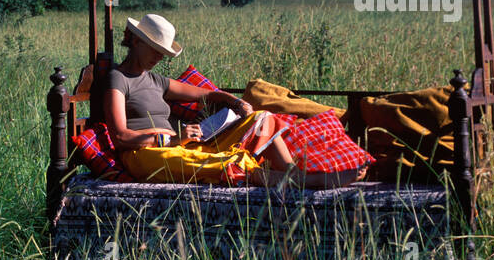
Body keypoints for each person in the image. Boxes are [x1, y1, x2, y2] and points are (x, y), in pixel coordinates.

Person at [104, 13, 369, 189]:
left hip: (180, 144)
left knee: (263, 118)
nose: (159, 58)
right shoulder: (118, 78)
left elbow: (206, 94)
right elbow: (121, 137)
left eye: (163, 54)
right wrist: (170, 138)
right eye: (155, 50)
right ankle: (297, 181)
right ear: (136, 42)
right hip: (146, 154)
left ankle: (291, 174)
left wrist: (234, 102)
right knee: (222, 164)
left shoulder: (156, 80)